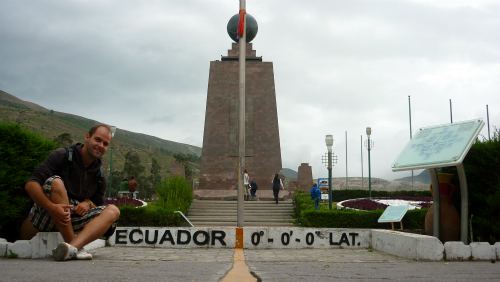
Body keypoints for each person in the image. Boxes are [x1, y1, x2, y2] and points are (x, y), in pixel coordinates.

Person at [20, 124, 120, 261]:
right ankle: (76, 247)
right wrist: (52, 207)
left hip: (72, 218)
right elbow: (31, 184)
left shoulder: (100, 175)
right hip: (45, 214)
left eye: (105, 143)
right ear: (87, 137)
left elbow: (98, 206)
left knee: (113, 210)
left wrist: (87, 203)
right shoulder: (62, 155)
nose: (101, 145)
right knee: (55, 182)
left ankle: (70, 248)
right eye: (97, 140)